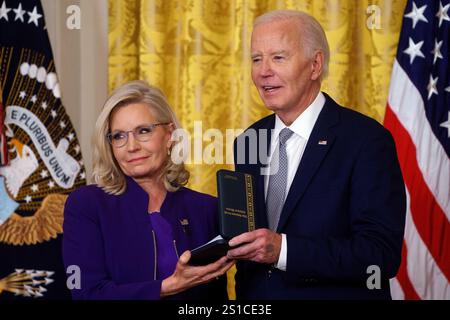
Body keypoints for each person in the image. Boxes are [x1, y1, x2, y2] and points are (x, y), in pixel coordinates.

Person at [228, 10, 406, 299]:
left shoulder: (367, 140)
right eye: (256, 59)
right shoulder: (249, 140)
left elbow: (379, 255)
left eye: (278, 57)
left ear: (315, 65)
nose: (263, 71)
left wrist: (283, 250)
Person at [63, 80, 234, 300]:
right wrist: (166, 287)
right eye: (119, 136)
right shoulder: (86, 205)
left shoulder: (206, 208)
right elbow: (86, 294)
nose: (131, 146)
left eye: (143, 131)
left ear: (170, 135)